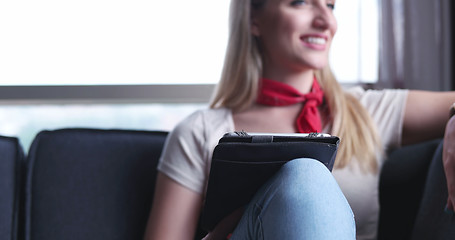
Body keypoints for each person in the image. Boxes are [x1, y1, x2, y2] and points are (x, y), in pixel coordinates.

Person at [143, 0, 455, 239]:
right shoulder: (200, 132)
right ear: (254, 18)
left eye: (330, 5)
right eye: (300, 2)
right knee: (307, 175)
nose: (326, 20)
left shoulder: (366, 111)